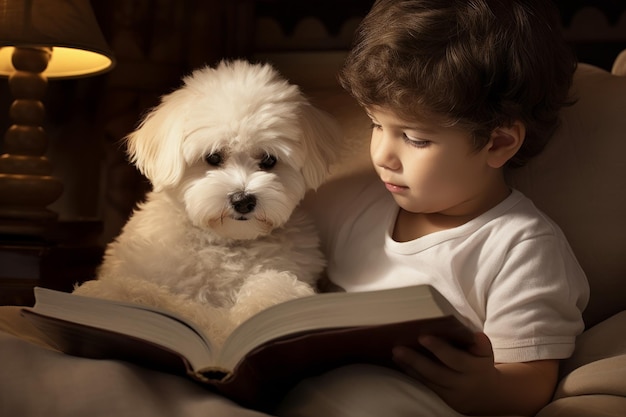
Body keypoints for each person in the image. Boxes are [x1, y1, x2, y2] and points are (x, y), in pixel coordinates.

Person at [276, 0, 589, 416]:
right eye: (375, 125)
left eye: (415, 138)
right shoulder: (356, 201)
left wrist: (487, 387)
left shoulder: (520, 247)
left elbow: (532, 379)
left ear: (497, 144)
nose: (383, 154)